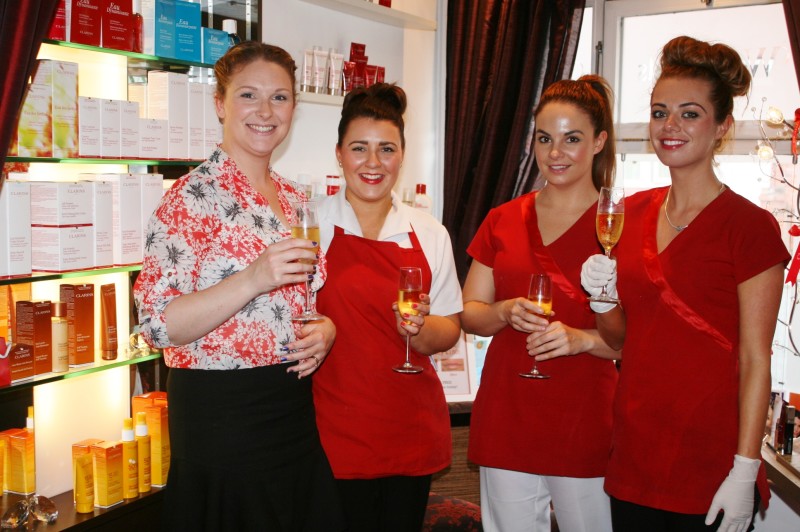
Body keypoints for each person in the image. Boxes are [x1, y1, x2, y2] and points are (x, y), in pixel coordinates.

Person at [133, 41, 344, 532]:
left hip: (291, 404)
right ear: (220, 104)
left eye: (280, 97)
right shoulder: (190, 198)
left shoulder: (294, 198)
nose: (265, 111)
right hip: (222, 414)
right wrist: (252, 278)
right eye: (249, 95)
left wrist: (325, 329)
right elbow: (157, 324)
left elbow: (300, 296)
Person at [581, 36, 789, 531]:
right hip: (634, 451)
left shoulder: (750, 227)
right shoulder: (628, 213)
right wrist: (603, 300)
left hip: (709, 458)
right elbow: (621, 339)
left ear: (722, 127)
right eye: (660, 112)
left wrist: (745, 467)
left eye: (689, 114)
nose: (669, 126)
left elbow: (756, 359)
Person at [461, 75, 622, 532]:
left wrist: (580, 339)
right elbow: (469, 313)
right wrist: (503, 312)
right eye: (545, 138)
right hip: (508, 410)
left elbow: (634, 341)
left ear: (599, 142)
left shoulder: (619, 227)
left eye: (572, 139)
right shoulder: (503, 219)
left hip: (584, 416)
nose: (555, 153)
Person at [312, 82, 463, 532]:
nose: (373, 162)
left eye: (387, 149)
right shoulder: (311, 223)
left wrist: (420, 329)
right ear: (339, 154)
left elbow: (450, 328)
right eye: (359, 148)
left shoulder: (429, 232)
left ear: (402, 155)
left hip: (408, 428)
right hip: (330, 429)